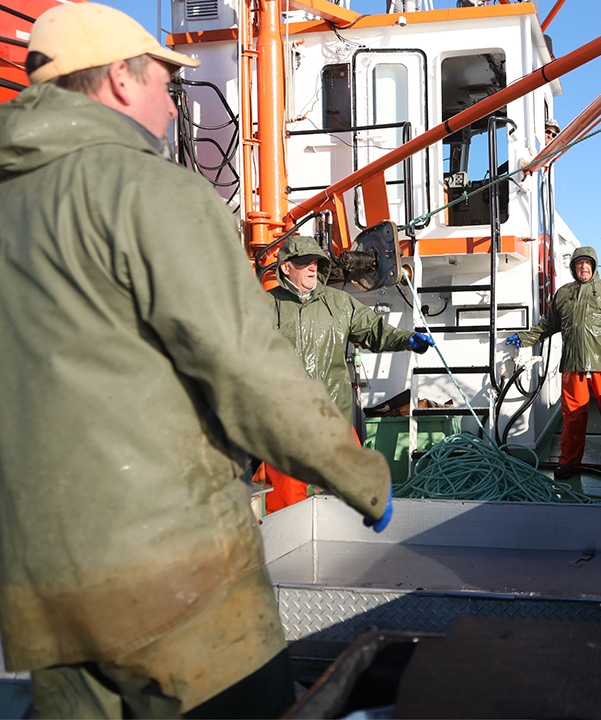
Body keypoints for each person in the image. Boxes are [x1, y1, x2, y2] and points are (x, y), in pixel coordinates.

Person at [0, 4, 392, 718]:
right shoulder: (149, 190)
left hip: (38, 583)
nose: (173, 104)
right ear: (120, 78)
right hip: (168, 571)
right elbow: (244, 365)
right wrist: (358, 473)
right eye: (164, 83)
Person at [261, 234, 434, 512]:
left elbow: (375, 331)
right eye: (304, 262)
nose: (312, 268)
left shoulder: (340, 303)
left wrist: (407, 339)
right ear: (285, 267)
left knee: (346, 501)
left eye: (315, 262)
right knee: (286, 506)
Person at [506, 246, 601, 479]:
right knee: (573, 416)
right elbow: (548, 326)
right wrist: (524, 337)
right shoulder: (563, 294)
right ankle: (569, 462)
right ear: (573, 267)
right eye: (579, 264)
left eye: (587, 263)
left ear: (595, 265)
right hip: (572, 363)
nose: (583, 267)